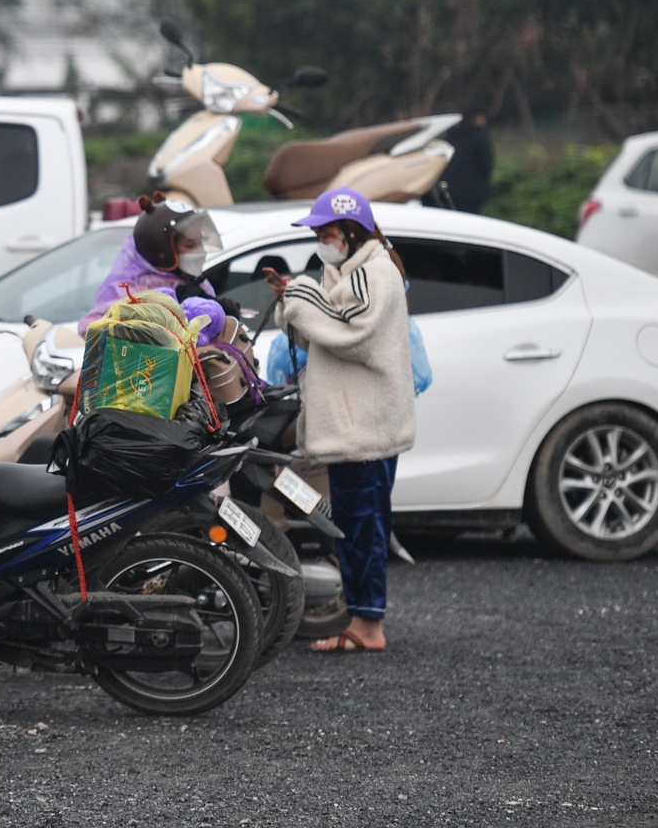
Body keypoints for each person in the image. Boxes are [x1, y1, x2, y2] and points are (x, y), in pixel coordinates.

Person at [263, 185, 416, 653]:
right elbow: (322, 333)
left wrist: (301, 295)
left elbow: (355, 333)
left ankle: (369, 624)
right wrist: (295, 301)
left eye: (326, 231)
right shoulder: (346, 272)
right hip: (358, 427)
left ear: (351, 230)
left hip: (364, 429)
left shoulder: (376, 273)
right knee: (358, 526)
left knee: (362, 527)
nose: (320, 239)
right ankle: (363, 618)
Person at [78, 193, 231, 335]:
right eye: (190, 245)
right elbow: (92, 330)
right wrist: (162, 309)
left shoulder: (192, 281)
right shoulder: (128, 289)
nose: (201, 250)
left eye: (200, 242)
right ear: (161, 247)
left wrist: (220, 313)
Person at [443, 109, 495, 213]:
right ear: (477, 118)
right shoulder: (480, 137)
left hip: (449, 191)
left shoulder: (450, 137)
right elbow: (487, 164)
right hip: (473, 192)